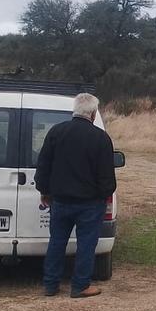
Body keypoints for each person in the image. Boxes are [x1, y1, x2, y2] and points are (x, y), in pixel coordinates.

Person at [35, 93, 117, 298]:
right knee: (86, 245)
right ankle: (80, 286)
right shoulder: (100, 138)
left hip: (60, 201)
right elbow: (107, 176)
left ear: (75, 110)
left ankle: (50, 285)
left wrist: (44, 191)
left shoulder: (56, 132)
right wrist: (103, 196)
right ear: (93, 113)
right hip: (90, 204)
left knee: (57, 242)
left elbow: (43, 166)